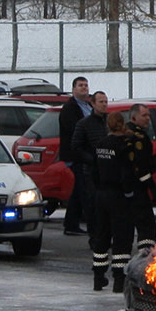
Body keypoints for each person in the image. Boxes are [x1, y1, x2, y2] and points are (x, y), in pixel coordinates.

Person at [87, 92, 155, 291]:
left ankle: (98, 277)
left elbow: (94, 171)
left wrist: (97, 189)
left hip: (101, 195)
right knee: (121, 237)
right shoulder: (124, 146)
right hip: (118, 196)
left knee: (101, 235)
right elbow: (127, 173)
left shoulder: (101, 145)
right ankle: (118, 280)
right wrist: (129, 193)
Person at [116, 103, 156, 256]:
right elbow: (141, 167)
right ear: (134, 117)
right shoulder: (138, 138)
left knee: (127, 223)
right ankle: (145, 254)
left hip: (125, 187)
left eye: (149, 115)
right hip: (137, 187)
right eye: (144, 115)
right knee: (146, 223)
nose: (148, 118)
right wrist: (152, 187)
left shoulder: (125, 134)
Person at [57, 76, 95, 235]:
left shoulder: (89, 106)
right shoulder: (70, 108)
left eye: (86, 85)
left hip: (88, 154)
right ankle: (84, 225)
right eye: (80, 85)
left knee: (78, 190)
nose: (84, 88)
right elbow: (75, 132)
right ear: (73, 89)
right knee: (82, 189)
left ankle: (71, 224)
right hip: (76, 156)